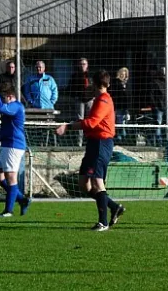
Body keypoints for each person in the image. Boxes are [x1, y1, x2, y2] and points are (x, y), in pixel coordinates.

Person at [56, 70, 125, 231]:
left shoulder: (104, 100)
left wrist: (68, 126)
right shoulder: (100, 99)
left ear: (94, 84)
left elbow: (92, 122)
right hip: (93, 143)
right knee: (84, 184)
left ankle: (103, 222)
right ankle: (114, 207)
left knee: (97, 181)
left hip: (102, 143)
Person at [0, 82, 31, 217]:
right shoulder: (9, 108)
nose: (2, 100)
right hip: (5, 145)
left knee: (11, 178)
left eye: (3, 97)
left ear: (10, 96)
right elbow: (4, 129)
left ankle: (8, 211)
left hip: (13, 146)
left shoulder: (16, 106)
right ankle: (22, 199)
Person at [66, 58, 94, 146]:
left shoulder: (91, 75)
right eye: (81, 64)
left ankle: (91, 140)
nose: (83, 66)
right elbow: (70, 88)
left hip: (90, 100)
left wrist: (93, 97)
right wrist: (75, 96)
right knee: (80, 120)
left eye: (84, 64)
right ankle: (79, 142)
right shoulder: (75, 76)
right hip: (79, 100)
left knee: (91, 120)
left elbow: (95, 87)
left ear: (87, 65)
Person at [109, 67, 132, 143]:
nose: (124, 76)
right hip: (118, 105)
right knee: (119, 122)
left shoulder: (128, 83)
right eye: (122, 74)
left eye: (125, 74)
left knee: (125, 121)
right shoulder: (116, 83)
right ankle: (120, 137)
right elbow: (115, 94)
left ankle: (125, 137)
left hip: (126, 106)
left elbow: (129, 95)